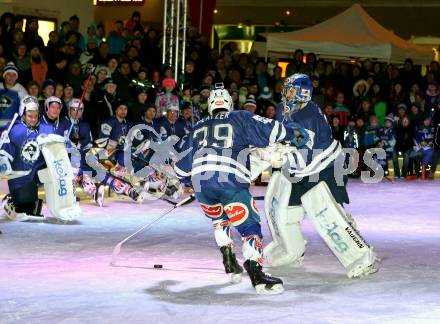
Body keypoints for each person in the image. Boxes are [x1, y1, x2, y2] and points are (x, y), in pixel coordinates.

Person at [174, 84, 301, 295]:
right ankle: (257, 274)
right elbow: (272, 130)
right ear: (229, 104)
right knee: (249, 226)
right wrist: (293, 133)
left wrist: (189, 181)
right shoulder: (240, 117)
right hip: (229, 181)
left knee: (220, 219)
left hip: (202, 186)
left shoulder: (197, 127)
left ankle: (229, 260)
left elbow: (180, 168)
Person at [269, 73, 378, 278]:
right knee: (285, 212)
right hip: (302, 169)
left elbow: (305, 151)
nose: (286, 94)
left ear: (303, 93)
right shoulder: (287, 108)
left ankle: (361, 256)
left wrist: (281, 157)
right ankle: (292, 250)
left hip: (325, 167)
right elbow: (280, 135)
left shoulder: (308, 115)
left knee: (329, 214)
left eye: (291, 90)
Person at [0, 96, 53, 221]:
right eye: (30, 116)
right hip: (19, 177)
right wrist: (3, 158)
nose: (33, 119)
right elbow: (4, 156)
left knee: (30, 207)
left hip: (34, 176)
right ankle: (11, 200)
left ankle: (21, 202)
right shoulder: (14, 130)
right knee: (25, 204)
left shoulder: (44, 129)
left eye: (36, 116)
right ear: (22, 114)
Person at [66, 98, 105, 206]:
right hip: (66, 156)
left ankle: (94, 192)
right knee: (76, 163)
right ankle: (70, 194)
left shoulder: (85, 125)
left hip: (80, 157)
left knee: (85, 169)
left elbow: (88, 144)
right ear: (69, 110)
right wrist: (70, 143)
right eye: (73, 109)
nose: (76, 111)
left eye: (79, 109)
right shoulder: (64, 122)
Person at [0, 62, 27, 130]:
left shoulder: (20, 88)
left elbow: (28, 106)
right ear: (4, 76)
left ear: (16, 77)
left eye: (14, 75)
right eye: (8, 74)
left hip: (13, 127)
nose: (11, 77)